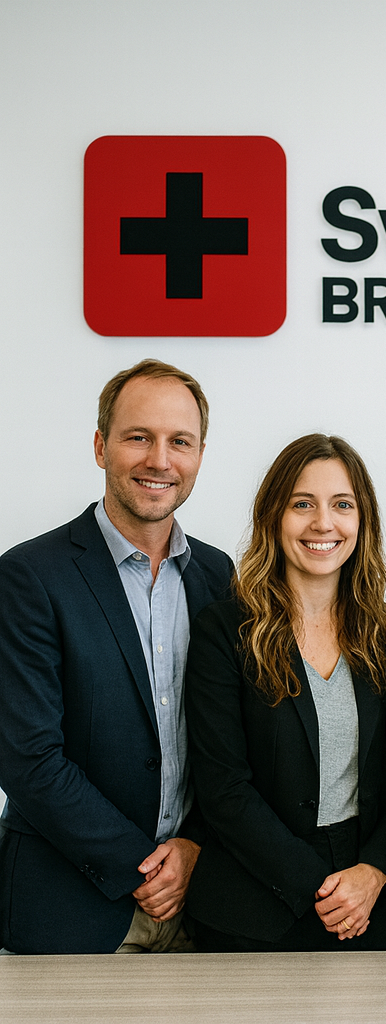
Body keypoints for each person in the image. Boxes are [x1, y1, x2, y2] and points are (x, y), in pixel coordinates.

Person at [0, 359, 233, 954]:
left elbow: (229, 741)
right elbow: (29, 759)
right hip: (70, 909)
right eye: (138, 437)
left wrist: (194, 846)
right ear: (101, 446)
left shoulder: (218, 576)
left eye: (180, 441)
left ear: (200, 455)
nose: (160, 460)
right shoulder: (29, 577)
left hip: (201, 903)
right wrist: (142, 866)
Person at [183, 434, 386, 951]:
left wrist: (375, 870)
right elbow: (223, 788)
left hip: (369, 902)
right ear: (273, 516)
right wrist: (319, 887)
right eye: (302, 504)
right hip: (253, 908)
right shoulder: (225, 630)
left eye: (342, 505)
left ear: (363, 521)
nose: (323, 523)